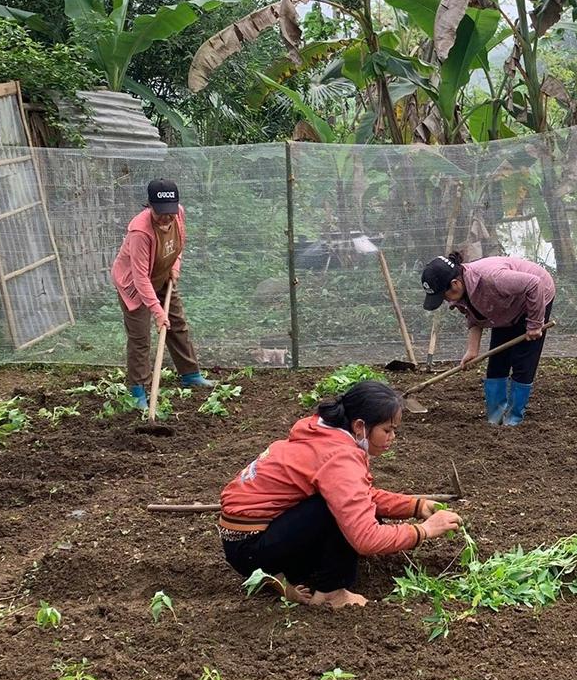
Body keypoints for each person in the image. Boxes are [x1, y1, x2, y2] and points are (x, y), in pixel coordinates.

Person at [218, 381, 462, 608]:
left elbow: (359, 495)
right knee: (344, 516)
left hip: (246, 536)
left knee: (349, 507)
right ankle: (330, 592)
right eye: (387, 430)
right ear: (359, 426)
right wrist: (425, 530)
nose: (392, 438)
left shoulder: (323, 432)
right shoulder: (339, 458)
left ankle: (290, 575)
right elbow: (366, 538)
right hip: (251, 547)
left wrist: (415, 507)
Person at [111, 178, 212, 409]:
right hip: (134, 286)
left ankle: (190, 374)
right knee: (140, 339)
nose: (166, 217)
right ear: (150, 206)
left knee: (177, 323)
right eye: (161, 212)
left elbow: (178, 246)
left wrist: (175, 267)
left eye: (170, 211)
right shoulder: (140, 231)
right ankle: (138, 391)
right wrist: (157, 312)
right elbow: (139, 278)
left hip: (162, 274)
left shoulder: (178, 215)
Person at [420, 252, 555, 426]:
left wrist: (535, 324)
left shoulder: (492, 278)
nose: (445, 301)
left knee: (523, 361)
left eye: (443, 296)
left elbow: (534, 285)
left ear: (455, 284)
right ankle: (495, 418)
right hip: (503, 306)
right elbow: (475, 316)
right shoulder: (463, 290)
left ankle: (513, 420)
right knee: (498, 361)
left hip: (534, 296)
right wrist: (472, 349)